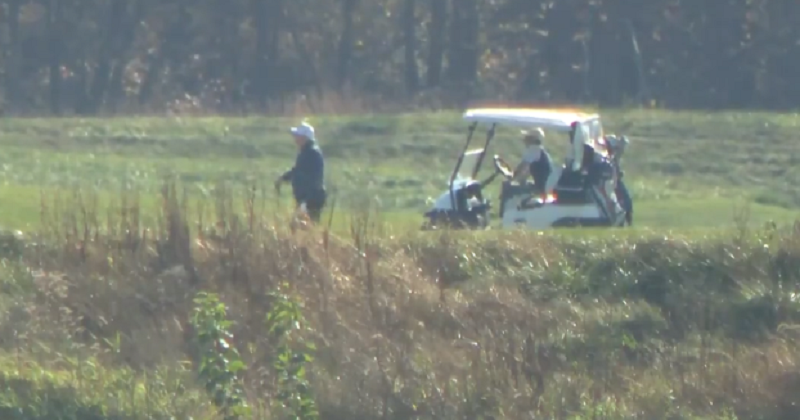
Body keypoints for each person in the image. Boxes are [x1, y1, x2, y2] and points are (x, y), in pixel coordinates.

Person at [274, 121, 327, 223]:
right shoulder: (307, 152)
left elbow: (313, 179)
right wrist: (283, 178)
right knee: (302, 227)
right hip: (308, 199)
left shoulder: (311, 153)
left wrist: (306, 202)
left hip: (311, 199)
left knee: (301, 227)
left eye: (297, 136)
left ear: (304, 138)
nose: (295, 139)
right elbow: (298, 171)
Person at [512, 128, 553, 193]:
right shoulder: (539, 151)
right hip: (544, 185)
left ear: (533, 139)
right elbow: (526, 169)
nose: (524, 140)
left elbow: (523, 166)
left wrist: (514, 177)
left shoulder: (533, 149)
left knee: (511, 188)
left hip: (542, 186)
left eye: (527, 137)